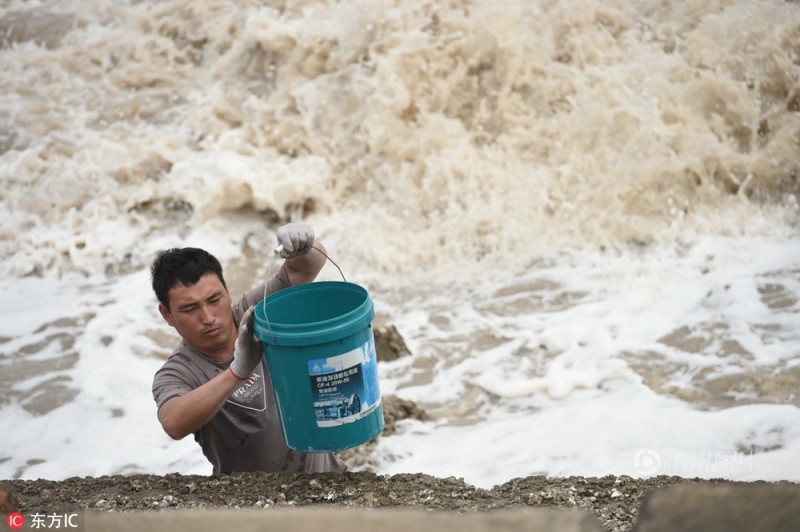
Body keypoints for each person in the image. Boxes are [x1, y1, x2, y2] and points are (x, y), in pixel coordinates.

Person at [150, 223, 346, 475]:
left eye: (214, 300)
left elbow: (307, 267)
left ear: (227, 291)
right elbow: (173, 422)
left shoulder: (253, 313)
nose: (208, 316)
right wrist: (236, 372)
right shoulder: (178, 371)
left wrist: (303, 247)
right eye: (190, 309)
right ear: (166, 314)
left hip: (326, 479)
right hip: (252, 505)